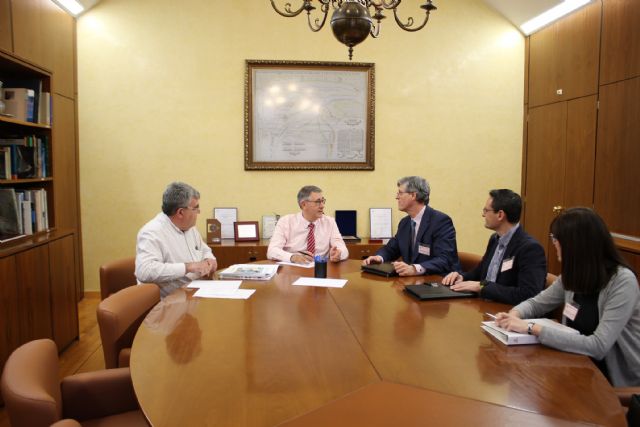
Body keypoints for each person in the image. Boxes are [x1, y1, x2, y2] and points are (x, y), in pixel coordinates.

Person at [495, 207, 640, 387]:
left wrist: (533, 328)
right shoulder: (573, 275)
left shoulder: (622, 281)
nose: (553, 243)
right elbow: (536, 303)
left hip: (611, 382)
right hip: (574, 366)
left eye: (556, 239)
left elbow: (598, 346)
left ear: (575, 244)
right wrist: (515, 314)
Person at [442, 189, 546, 305]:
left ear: (500, 215)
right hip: (486, 308)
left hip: (509, 314)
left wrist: (482, 287)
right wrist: (461, 276)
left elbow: (528, 295)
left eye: (486, 210)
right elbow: (480, 272)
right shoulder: (495, 239)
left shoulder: (530, 249)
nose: (483, 214)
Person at [362, 176, 460, 276]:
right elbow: (392, 248)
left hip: (440, 281)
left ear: (413, 195)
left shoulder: (440, 221)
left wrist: (414, 269)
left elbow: (445, 259)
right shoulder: (404, 223)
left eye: (400, 193)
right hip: (413, 282)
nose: (397, 197)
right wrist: (379, 257)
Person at [135, 182, 217, 298]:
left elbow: (203, 249)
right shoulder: (152, 232)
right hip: (168, 304)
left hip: (195, 293)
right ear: (180, 212)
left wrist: (210, 259)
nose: (199, 212)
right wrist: (188, 267)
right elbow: (145, 271)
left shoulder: (190, 228)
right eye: (196, 209)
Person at [267, 185, 348, 264]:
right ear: (303, 204)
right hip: (293, 270)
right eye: (318, 202)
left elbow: (342, 248)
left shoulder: (329, 222)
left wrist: (339, 253)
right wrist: (292, 257)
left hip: (321, 270)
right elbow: (272, 251)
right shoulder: (286, 222)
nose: (322, 206)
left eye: (323, 201)